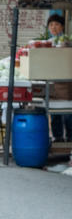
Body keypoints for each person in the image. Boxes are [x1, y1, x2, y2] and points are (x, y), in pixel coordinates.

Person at [45, 14, 72, 142]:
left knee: (67, 111)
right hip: (52, 80)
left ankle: (70, 137)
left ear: (62, 26)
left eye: (56, 24)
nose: (53, 27)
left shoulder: (66, 41)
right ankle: (58, 136)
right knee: (54, 111)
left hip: (66, 82)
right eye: (51, 25)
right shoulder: (47, 43)